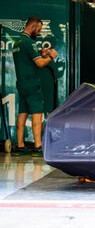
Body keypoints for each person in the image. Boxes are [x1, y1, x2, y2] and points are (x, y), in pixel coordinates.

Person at [12, 16, 57, 156]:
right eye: (38, 30)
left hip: (22, 84)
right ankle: (38, 146)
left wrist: (42, 54)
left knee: (22, 113)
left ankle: (20, 146)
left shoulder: (17, 42)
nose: (39, 33)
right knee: (37, 115)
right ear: (32, 27)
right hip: (32, 85)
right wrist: (51, 56)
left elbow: (29, 61)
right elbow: (40, 64)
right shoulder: (28, 43)